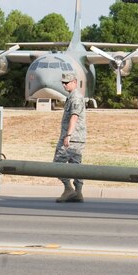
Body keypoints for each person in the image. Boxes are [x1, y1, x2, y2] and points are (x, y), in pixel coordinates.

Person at [53, 72, 86, 203]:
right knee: (76, 165)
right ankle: (78, 192)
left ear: (75, 82)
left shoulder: (75, 98)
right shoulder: (73, 97)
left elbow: (74, 116)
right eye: (63, 83)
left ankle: (69, 189)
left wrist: (68, 135)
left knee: (56, 164)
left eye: (67, 82)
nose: (64, 85)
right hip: (77, 138)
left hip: (72, 138)